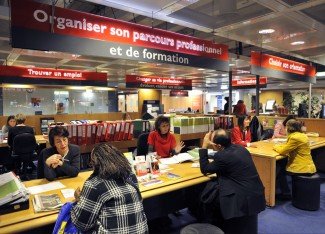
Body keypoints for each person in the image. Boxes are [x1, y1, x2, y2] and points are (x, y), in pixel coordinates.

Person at [71, 143, 148, 233]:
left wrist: (79, 200)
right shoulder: (130, 176)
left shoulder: (94, 184)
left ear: (95, 164)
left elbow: (81, 224)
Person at [200, 129, 265, 226]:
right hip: (256, 193)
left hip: (240, 198)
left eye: (211, 142)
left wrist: (204, 147)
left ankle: (211, 223)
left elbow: (205, 169)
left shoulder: (222, 156)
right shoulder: (241, 149)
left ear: (218, 146)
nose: (210, 143)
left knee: (206, 196)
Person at [273, 119, 316, 198]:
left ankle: (286, 193)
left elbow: (283, 151)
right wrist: (281, 146)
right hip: (309, 165)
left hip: (301, 167)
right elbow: (287, 146)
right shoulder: (302, 135)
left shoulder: (294, 138)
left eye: (286, 127)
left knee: (280, 171)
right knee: (281, 165)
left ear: (289, 128)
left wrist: (275, 147)